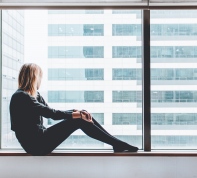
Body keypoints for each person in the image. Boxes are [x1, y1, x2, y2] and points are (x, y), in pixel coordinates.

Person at [9, 63, 139, 155]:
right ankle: (117, 143)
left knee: (81, 115)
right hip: (36, 145)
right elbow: (51, 114)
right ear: (34, 78)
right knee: (79, 119)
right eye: (40, 77)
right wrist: (76, 115)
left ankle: (116, 143)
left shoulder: (34, 96)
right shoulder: (21, 97)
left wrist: (76, 111)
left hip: (40, 139)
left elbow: (50, 111)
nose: (41, 80)